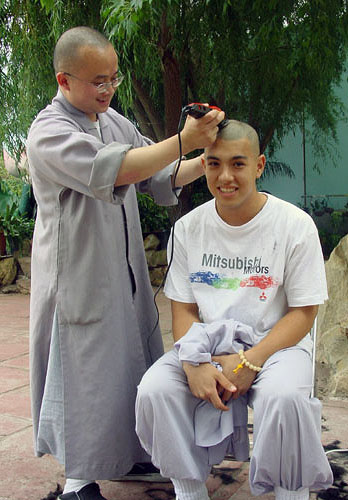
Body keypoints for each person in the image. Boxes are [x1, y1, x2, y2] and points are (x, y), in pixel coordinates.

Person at [26, 26, 225, 500]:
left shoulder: (113, 120)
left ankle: (130, 454)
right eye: (98, 81)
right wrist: (183, 139)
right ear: (64, 80)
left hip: (125, 271)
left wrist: (207, 156)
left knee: (128, 364)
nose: (109, 89)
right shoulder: (49, 132)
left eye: (114, 78)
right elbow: (117, 169)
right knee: (84, 375)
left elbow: (155, 173)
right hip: (77, 279)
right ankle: (79, 479)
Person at [135, 120, 333, 500]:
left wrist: (251, 361)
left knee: (286, 399)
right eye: (213, 164)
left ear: (259, 165)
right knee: (154, 391)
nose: (225, 176)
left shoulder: (295, 226)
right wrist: (194, 363)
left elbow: (303, 314)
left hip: (276, 346)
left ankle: (290, 492)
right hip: (207, 344)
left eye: (238, 164)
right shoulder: (189, 229)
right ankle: (189, 491)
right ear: (204, 165)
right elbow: (184, 310)